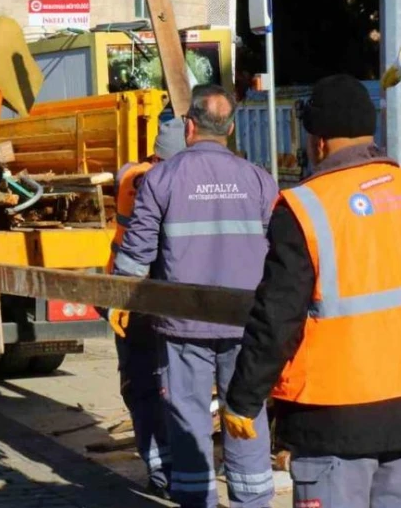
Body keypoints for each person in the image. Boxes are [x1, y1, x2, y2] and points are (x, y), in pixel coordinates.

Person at [222, 75, 401, 508]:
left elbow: (277, 316)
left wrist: (242, 398)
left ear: (319, 143)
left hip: (335, 414)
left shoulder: (305, 209)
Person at [114, 85, 278, 508]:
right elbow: (280, 252)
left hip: (183, 324)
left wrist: (118, 300)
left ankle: (195, 499)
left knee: (187, 415)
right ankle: (253, 500)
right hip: (244, 321)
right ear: (232, 127)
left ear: (189, 126)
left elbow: (137, 255)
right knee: (244, 410)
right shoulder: (259, 179)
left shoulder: (162, 178)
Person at [104, 117, 186, 498]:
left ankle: (159, 466)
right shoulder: (178, 181)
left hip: (128, 296)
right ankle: (174, 468)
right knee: (172, 384)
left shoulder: (130, 176)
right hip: (163, 298)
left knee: (141, 386)